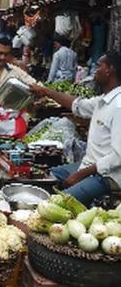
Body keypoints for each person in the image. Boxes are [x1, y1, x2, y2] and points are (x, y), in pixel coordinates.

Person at [30, 52, 121, 206]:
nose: (94, 71)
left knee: (56, 204)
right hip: (89, 166)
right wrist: (46, 91)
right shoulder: (103, 100)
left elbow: (118, 157)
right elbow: (78, 106)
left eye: (98, 66)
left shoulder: (118, 106)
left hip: (108, 176)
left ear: (109, 70)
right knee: (46, 177)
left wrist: (79, 175)